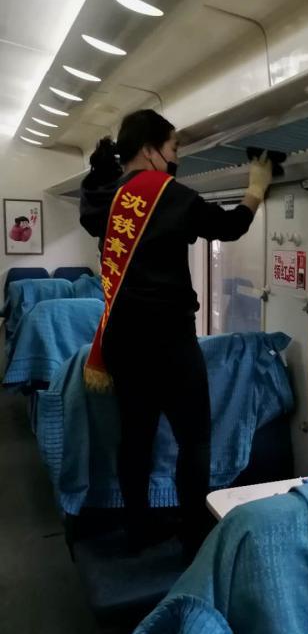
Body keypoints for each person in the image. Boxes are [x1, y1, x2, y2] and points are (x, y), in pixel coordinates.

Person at [79, 109, 272, 556]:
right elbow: (229, 227)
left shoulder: (101, 195)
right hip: (169, 342)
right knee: (195, 439)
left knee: (136, 438)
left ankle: (138, 530)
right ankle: (194, 539)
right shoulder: (167, 194)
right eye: (173, 148)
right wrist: (256, 188)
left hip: (122, 340)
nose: (175, 158)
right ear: (150, 150)